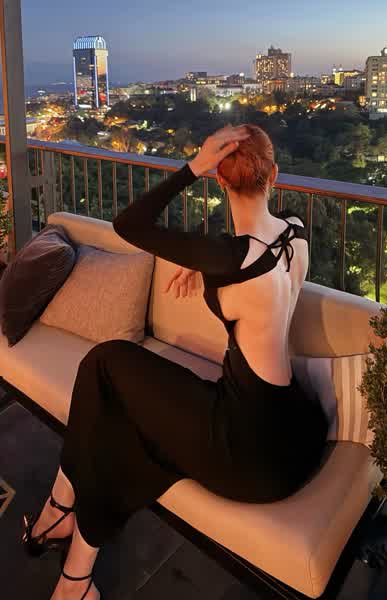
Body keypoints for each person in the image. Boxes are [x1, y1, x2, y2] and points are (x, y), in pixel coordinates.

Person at [22, 124, 328, 600]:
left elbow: (129, 224)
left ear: (218, 180)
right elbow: (250, 251)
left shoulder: (229, 257)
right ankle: (70, 554)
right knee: (121, 413)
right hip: (293, 430)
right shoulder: (295, 230)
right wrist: (204, 261)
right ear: (275, 176)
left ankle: (64, 521)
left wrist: (192, 167)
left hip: (247, 450)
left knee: (104, 366)